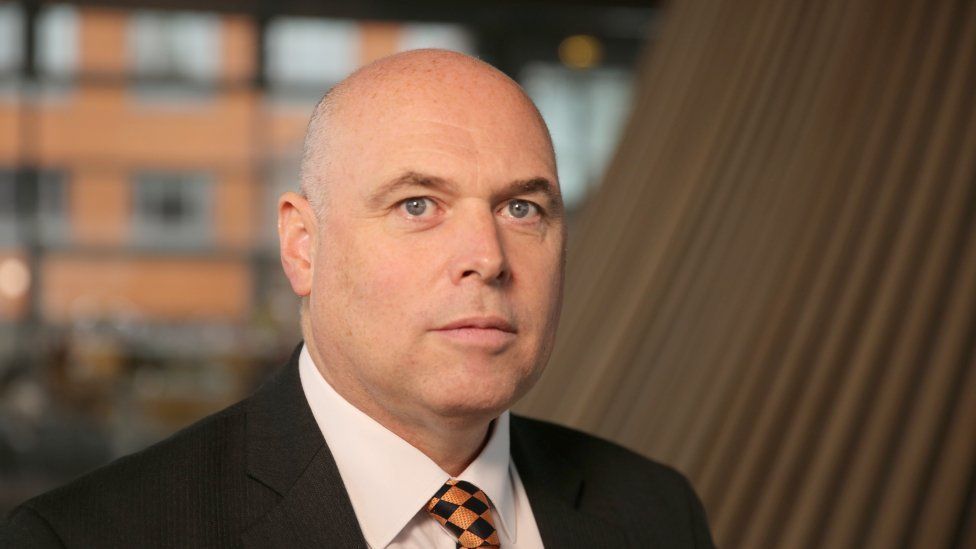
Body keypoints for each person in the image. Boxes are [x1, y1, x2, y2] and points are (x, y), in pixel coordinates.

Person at [0, 49, 714, 548]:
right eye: (417, 205)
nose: (488, 259)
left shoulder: (653, 511)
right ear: (303, 246)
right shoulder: (92, 537)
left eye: (522, 209)